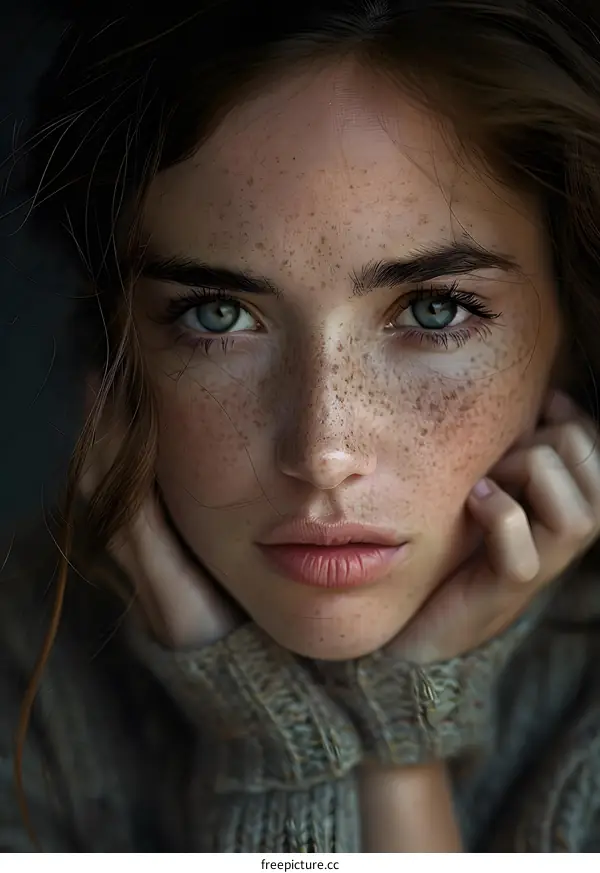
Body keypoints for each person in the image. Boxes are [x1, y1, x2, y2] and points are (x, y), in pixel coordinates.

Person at [2, 0, 600, 852]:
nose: (324, 451)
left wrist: (392, 741)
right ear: (118, 339)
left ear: (569, 332)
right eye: (217, 315)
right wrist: (292, 749)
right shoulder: (18, 669)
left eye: (434, 311)